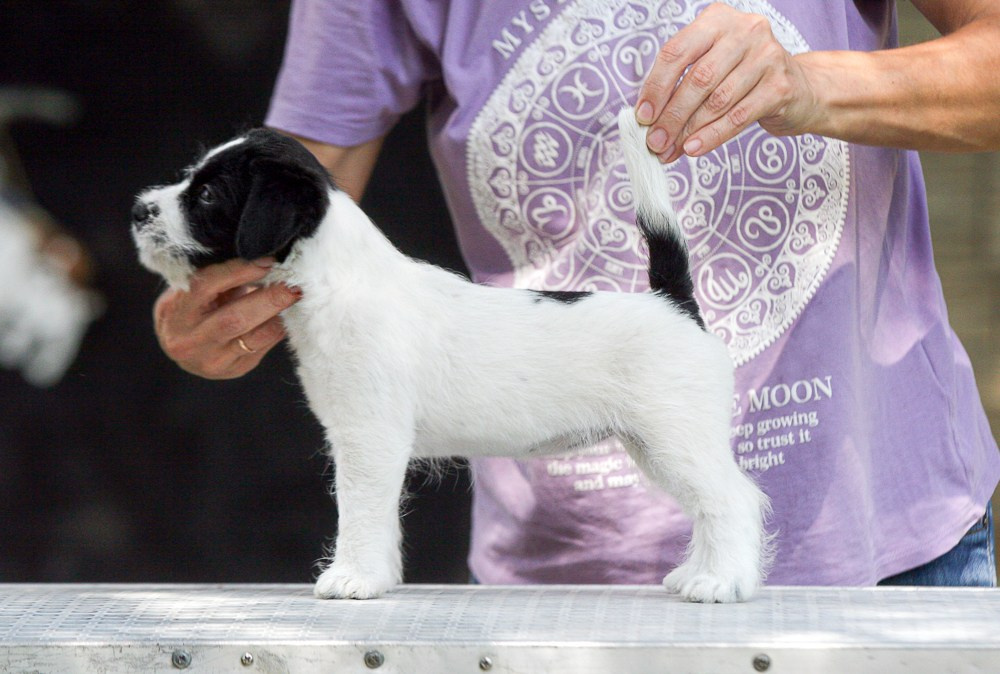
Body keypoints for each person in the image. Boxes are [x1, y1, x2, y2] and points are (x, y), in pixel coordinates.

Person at [154, 0, 1000, 587]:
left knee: (698, 470)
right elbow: (299, 183)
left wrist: (814, 86)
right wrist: (211, 291)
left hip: (895, 551)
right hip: (553, 583)